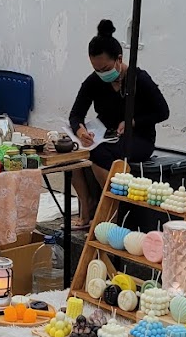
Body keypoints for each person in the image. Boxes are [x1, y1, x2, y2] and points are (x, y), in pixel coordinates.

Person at [67, 19, 170, 229]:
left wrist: (133, 121)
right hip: (106, 135)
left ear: (119, 59)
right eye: (96, 69)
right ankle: (87, 208)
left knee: (99, 153)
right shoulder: (94, 81)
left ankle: (110, 211)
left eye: (105, 68)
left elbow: (163, 112)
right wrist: (80, 130)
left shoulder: (139, 80)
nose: (102, 74)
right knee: (71, 157)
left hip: (138, 139)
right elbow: (75, 114)